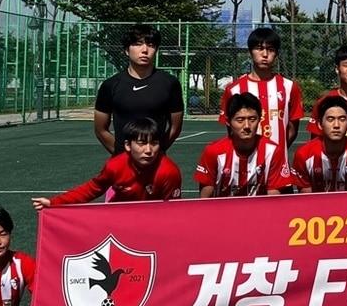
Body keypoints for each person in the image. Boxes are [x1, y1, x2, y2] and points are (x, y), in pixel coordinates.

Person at [32, 117, 182, 209]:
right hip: (119, 215)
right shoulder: (115, 165)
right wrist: (54, 203)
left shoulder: (169, 172)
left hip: (151, 220)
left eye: (154, 143)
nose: (149, 150)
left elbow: (172, 210)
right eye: (141, 143)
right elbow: (92, 189)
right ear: (128, 145)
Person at [93, 24, 183, 154]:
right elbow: (100, 129)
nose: (145, 50)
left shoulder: (170, 83)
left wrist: (155, 152)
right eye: (137, 44)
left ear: (156, 50)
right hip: (122, 163)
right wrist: (121, 155)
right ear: (126, 50)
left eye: (151, 45)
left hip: (157, 162)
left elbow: (175, 128)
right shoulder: (110, 85)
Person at [219, 26, 304, 148]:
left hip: (278, 164)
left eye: (270, 49)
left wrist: (278, 154)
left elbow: (292, 130)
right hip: (247, 163)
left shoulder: (289, 87)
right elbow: (231, 130)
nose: (265, 54)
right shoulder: (233, 89)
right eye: (259, 49)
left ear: (276, 54)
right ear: (250, 52)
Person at [196, 93, 295, 198]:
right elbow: (205, 198)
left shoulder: (273, 151)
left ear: (260, 119)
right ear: (228, 122)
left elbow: (274, 197)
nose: (247, 126)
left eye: (252, 119)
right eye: (240, 120)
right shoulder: (213, 152)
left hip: (260, 212)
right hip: (223, 212)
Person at [292, 94, 347, 192]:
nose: (336, 125)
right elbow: (306, 197)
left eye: (342, 119)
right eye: (330, 119)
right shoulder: (304, 155)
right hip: (316, 207)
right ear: (320, 124)